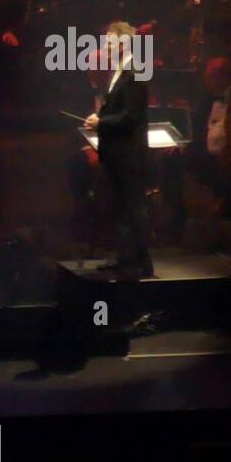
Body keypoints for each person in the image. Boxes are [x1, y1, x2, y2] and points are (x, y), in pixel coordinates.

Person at [84, 22, 154, 279]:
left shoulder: (134, 72)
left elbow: (130, 117)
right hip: (118, 153)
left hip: (129, 154)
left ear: (124, 45)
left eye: (110, 43)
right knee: (122, 208)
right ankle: (125, 257)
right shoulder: (122, 72)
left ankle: (140, 261)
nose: (106, 47)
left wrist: (100, 122)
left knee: (133, 207)